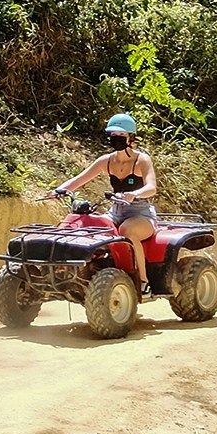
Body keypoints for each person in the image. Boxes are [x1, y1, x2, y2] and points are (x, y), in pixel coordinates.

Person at [51, 113, 159, 296]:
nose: (116, 139)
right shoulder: (106, 161)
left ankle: (143, 282)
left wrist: (135, 194)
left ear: (131, 137)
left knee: (127, 231)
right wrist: (58, 190)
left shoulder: (142, 160)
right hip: (115, 212)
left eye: (121, 136)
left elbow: (151, 187)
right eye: (113, 135)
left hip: (140, 213)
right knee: (90, 227)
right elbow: (79, 179)